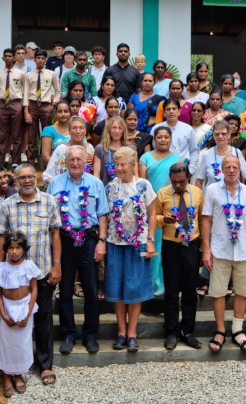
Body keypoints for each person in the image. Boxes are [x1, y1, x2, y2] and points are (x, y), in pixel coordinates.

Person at [0, 164, 62, 385]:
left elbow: (55, 235)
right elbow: (1, 238)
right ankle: (15, 366)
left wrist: (57, 265)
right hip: (13, 276)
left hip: (41, 271)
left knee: (43, 320)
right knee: (13, 322)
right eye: (22, 178)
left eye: (31, 176)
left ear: (37, 178)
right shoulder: (7, 205)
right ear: (15, 181)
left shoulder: (49, 201)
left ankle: (45, 365)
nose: (27, 181)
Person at [47, 146, 109, 354]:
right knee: (64, 291)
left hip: (89, 239)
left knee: (91, 290)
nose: (75, 163)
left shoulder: (95, 183)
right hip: (63, 240)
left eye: (79, 159)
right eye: (71, 159)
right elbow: (49, 215)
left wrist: (101, 241)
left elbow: (102, 214)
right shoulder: (55, 183)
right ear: (65, 162)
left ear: (86, 162)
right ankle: (68, 334)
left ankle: (91, 335)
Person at [202, 155, 246, 352]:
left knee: (243, 291)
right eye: (228, 167)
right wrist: (206, 249)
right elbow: (206, 220)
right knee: (217, 292)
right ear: (222, 169)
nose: (232, 170)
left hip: (243, 250)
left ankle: (237, 329)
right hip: (219, 249)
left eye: (235, 167)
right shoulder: (212, 190)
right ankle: (220, 330)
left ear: (240, 169)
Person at [103, 147, 157, 351]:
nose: (119, 168)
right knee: (117, 287)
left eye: (123, 164)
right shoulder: (110, 187)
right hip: (115, 243)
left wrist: (150, 240)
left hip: (138, 243)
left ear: (133, 165)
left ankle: (133, 332)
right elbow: (104, 216)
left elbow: (152, 214)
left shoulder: (144, 185)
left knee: (134, 287)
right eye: (116, 164)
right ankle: (121, 331)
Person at [155, 163, 204, 350]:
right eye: (174, 182)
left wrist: (203, 248)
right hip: (171, 247)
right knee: (172, 292)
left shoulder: (197, 193)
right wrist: (163, 219)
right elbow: (155, 217)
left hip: (191, 245)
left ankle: (188, 331)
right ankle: (171, 332)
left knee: (190, 291)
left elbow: (201, 219)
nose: (178, 186)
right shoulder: (162, 194)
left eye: (181, 182)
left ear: (189, 177)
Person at [0, 233, 42, 394]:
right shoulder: (0, 268)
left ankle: (19, 375)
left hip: (25, 306)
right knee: (7, 343)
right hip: (8, 307)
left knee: (22, 343)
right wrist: (3, 314)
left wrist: (27, 314)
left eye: (18, 248)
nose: (14, 252)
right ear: (6, 249)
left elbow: (34, 290)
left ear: (24, 249)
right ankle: (7, 376)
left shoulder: (29, 266)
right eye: (11, 248)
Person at [139, 126, 181, 296]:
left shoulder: (179, 159)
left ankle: (168, 285)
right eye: (159, 137)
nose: (163, 140)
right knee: (153, 243)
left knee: (169, 247)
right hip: (151, 208)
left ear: (171, 139)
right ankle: (152, 284)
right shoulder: (145, 157)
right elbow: (142, 184)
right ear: (154, 139)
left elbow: (182, 183)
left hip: (172, 207)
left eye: (166, 137)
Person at [24, 49, 61, 167]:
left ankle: (48, 164)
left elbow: (58, 91)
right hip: (33, 105)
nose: (40, 60)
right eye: (38, 58)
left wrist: (53, 105)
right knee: (31, 136)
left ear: (45, 60)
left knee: (47, 136)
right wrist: (26, 111)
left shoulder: (51, 74)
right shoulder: (28, 75)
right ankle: (30, 164)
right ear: (34, 60)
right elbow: (25, 93)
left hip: (46, 106)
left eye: (42, 58)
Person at [196, 120, 246, 189]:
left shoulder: (236, 152)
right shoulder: (207, 154)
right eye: (217, 134)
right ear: (213, 135)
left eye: (223, 134)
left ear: (229, 135)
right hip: (213, 197)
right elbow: (199, 180)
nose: (220, 137)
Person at [0, 48, 27, 169]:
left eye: (10, 56)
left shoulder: (20, 74)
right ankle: (1, 162)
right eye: (6, 56)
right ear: (3, 58)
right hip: (3, 103)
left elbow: (26, 89)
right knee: (1, 134)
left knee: (16, 134)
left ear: (14, 58)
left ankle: (15, 162)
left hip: (16, 104)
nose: (8, 58)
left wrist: (24, 105)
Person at [151, 98, 200, 175]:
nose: (171, 111)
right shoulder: (156, 129)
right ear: (164, 113)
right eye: (168, 109)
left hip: (183, 170)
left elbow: (194, 151)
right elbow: (154, 149)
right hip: (162, 170)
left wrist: (190, 170)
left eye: (174, 109)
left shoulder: (188, 129)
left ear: (179, 111)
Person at [43, 117, 95, 184]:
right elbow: (47, 176)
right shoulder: (61, 149)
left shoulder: (90, 148)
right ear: (69, 131)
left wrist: (94, 161)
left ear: (85, 131)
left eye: (81, 128)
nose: (78, 131)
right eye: (74, 128)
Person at [94, 116, 131, 188]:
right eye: (114, 127)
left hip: (126, 191)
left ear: (123, 130)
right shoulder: (100, 148)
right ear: (109, 129)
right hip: (105, 191)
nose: (117, 131)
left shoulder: (130, 148)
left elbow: (134, 173)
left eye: (120, 128)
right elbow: (96, 174)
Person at [41, 101, 72, 168]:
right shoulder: (48, 130)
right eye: (60, 111)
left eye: (66, 111)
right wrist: (60, 168)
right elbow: (45, 156)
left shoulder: (76, 129)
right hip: (54, 169)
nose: (63, 114)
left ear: (70, 113)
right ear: (55, 114)